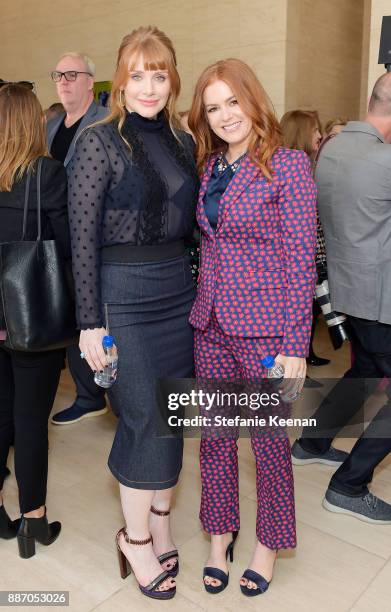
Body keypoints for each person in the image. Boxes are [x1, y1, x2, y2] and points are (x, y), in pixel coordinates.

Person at [68, 26, 199, 599]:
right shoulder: (97, 141)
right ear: (120, 81)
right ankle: (136, 540)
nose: (149, 86)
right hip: (123, 297)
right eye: (137, 75)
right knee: (145, 417)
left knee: (175, 416)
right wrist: (90, 322)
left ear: (173, 78)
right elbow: (80, 241)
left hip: (180, 295)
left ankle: (161, 519)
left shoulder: (182, 139)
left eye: (160, 73)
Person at [188, 58, 317, 596]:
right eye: (213, 107)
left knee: (267, 444)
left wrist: (294, 343)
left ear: (252, 100)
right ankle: (220, 537)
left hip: (266, 333)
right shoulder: (210, 168)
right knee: (214, 439)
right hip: (210, 323)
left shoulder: (286, 165)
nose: (224, 115)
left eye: (232, 102)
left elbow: (301, 260)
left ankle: (268, 545)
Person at [292, 70, 391, 524]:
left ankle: (314, 441)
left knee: (363, 370)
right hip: (382, 299)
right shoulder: (389, 163)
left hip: (346, 291)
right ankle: (349, 485)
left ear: (370, 99)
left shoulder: (332, 149)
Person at [0, 84, 70, 556]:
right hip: (29, 321)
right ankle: (33, 522)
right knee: (30, 421)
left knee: (1, 416)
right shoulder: (47, 174)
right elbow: (65, 249)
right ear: (33, 123)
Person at [47, 52, 109, 426]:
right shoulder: (51, 126)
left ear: (90, 81)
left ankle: (102, 390)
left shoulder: (103, 123)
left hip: (93, 238)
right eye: (58, 75)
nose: (64, 80)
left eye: (72, 74)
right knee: (72, 318)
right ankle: (89, 394)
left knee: (94, 317)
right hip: (58, 238)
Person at [280, 109, 329, 368]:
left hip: (311, 255)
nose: (320, 135)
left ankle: (303, 355)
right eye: (315, 130)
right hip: (303, 259)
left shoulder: (309, 166)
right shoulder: (294, 169)